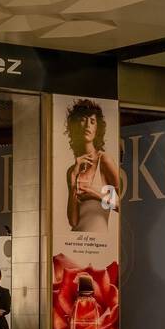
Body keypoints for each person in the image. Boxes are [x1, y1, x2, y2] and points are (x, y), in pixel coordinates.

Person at [65, 98, 120, 235]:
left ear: (97, 128)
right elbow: (73, 222)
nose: (87, 125)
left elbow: (122, 206)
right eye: (83, 120)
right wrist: (73, 185)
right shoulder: (72, 170)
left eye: (92, 121)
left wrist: (95, 194)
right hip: (76, 243)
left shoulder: (104, 161)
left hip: (98, 247)